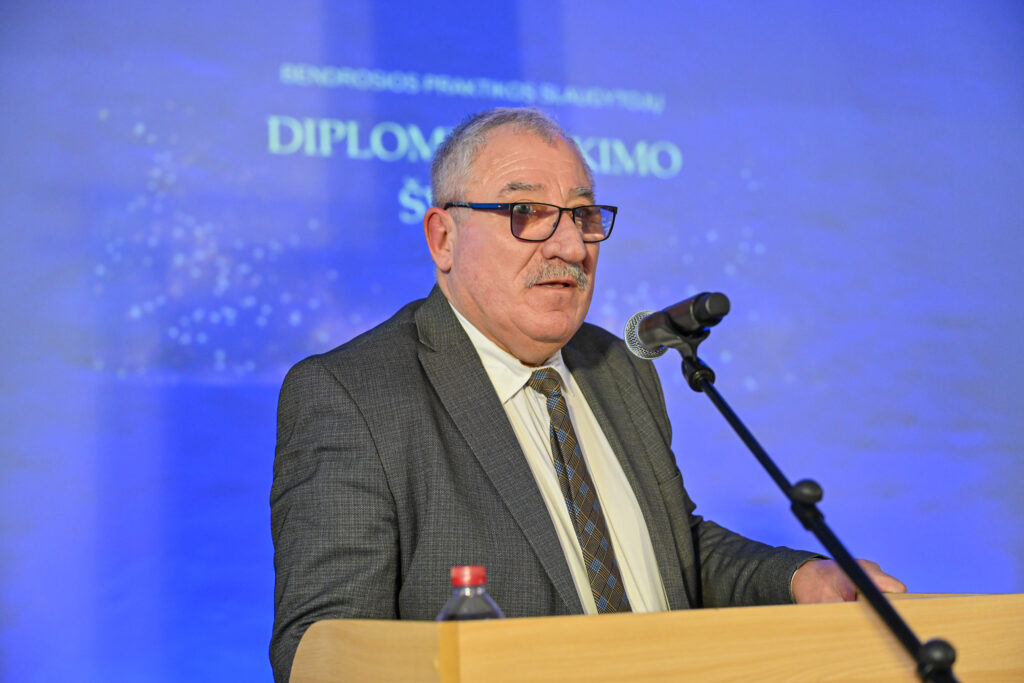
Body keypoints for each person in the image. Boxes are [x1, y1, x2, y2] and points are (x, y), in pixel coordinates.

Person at [269, 107, 904, 682]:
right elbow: (319, 649)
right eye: (525, 213)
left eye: (582, 215)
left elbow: (669, 552)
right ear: (443, 238)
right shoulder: (353, 395)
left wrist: (801, 578)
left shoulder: (617, 365)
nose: (572, 246)